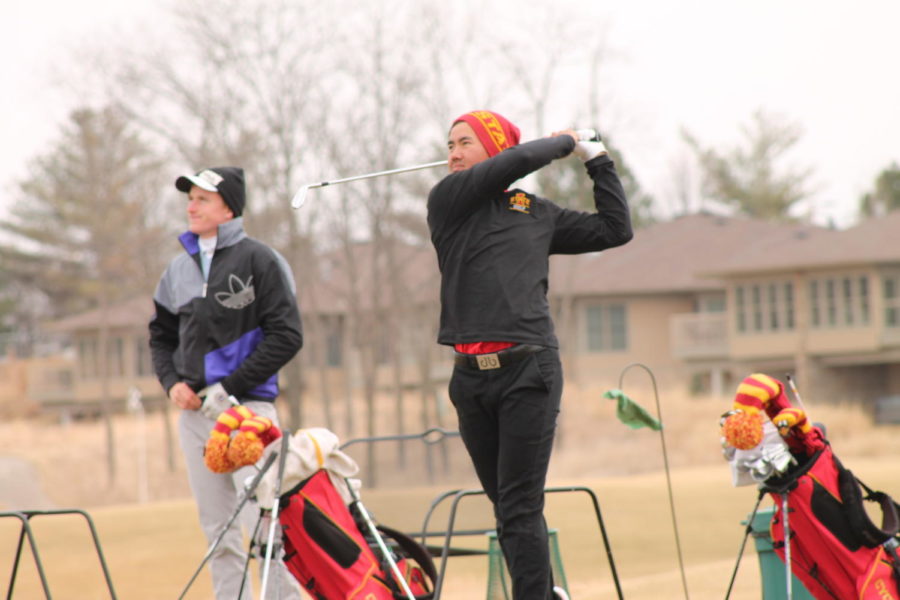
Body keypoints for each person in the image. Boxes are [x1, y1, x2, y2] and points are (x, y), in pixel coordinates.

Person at [426, 111, 633, 599]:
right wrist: (564, 141)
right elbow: (514, 162)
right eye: (449, 143)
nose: (452, 152)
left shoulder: (535, 213)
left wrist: (597, 160)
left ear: (493, 147)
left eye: (464, 143)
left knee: (518, 507)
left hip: (529, 371)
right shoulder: (447, 201)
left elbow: (614, 230)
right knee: (509, 509)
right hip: (470, 380)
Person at [149, 166, 303, 599]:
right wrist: (171, 382)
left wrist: (229, 388)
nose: (190, 206)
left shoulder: (261, 260)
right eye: (190, 198)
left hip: (248, 413)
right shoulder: (177, 269)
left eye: (202, 199)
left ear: (228, 208)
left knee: (265, 526)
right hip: (195, 417)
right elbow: (160, 337)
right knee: (218, 531)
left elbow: (287, 336)